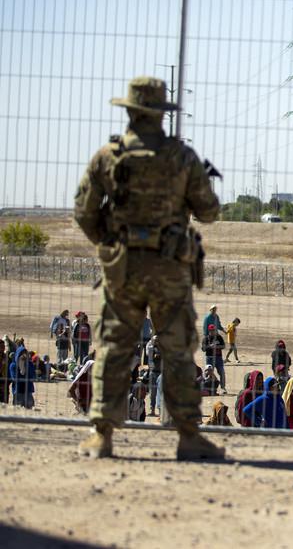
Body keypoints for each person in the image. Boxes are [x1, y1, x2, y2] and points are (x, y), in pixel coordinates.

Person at [72, 78, 224, 459]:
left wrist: (110, 243)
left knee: (114, 347)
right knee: (177, 350)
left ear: (129, 111)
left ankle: (102, 434)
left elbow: (84, 212)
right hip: (170, 267)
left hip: (123, 267)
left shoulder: (109, 156)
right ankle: (188, 434)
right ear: (161, 114)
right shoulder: (182, 157)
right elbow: (209, 211)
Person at [9, 342, 36, 408]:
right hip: (18, 391)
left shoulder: (30, 364)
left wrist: (25, 367)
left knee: (29, 410)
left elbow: (32, 376)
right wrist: (21, 368)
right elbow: (15, 378)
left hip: (28, 391)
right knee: (17, 411)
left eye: (25, 354)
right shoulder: (13, 365)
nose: (23, 356)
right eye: (21, 354)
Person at [201, 326, 227, 394]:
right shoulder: (206, 339)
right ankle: (207, 388)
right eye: (211, 330)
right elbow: (203, 349)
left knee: (222, 372)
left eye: (214, 330)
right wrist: (210, 346)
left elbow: (223, 346)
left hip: (218, 358)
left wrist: (217, 346)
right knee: (208, 373)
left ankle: (223, 388)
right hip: (209, 357)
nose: (213, 331)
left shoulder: (219, 337)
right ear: (209, 331)